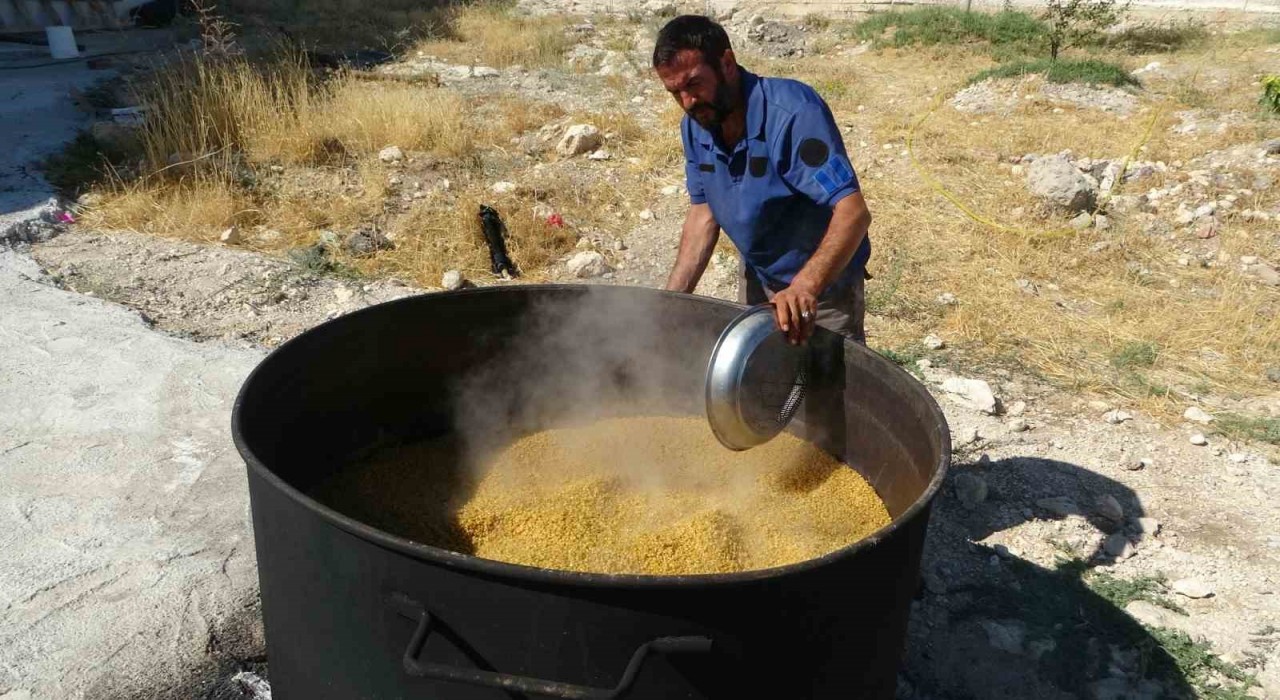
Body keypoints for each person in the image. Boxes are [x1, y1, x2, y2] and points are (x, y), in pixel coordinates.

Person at [653, 15, 872, 345]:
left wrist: (804, 287)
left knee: (824, 387)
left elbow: (853, 212)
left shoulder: (793, 114)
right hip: (760, 273)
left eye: (694, 84)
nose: (687, 102)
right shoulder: (697, 124)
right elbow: (703, 213)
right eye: (675, 92)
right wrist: (671, 302)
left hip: (823, 287)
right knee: (759, 381)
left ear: (727, 63)